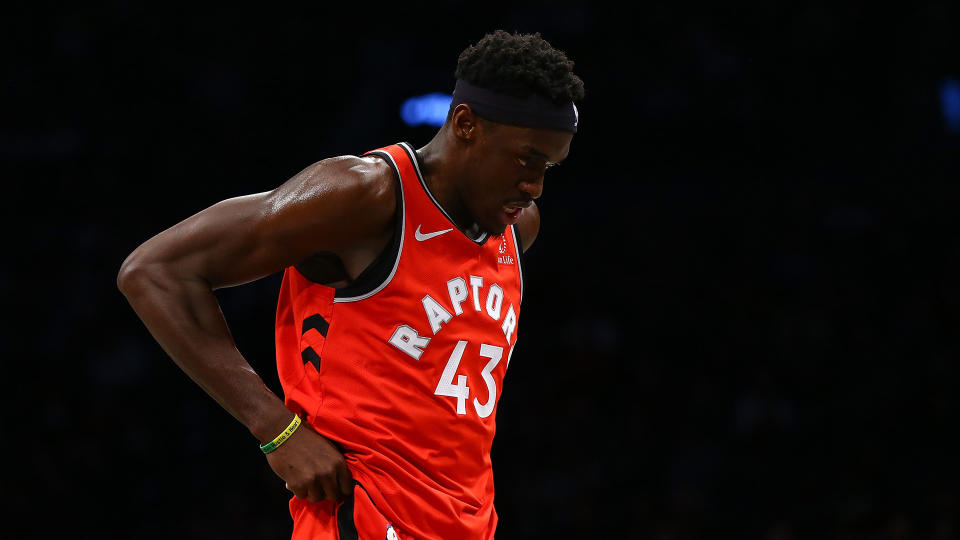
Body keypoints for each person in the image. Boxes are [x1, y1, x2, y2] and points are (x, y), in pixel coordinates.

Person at [118, 29, 584, 539]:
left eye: (549, 167)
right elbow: (156, 272)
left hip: (466, 523)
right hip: (361, 519)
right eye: (526, 159)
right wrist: (277, 430)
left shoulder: (518, 228)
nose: (535, 185)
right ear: (466, 124)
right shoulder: (366, 196)